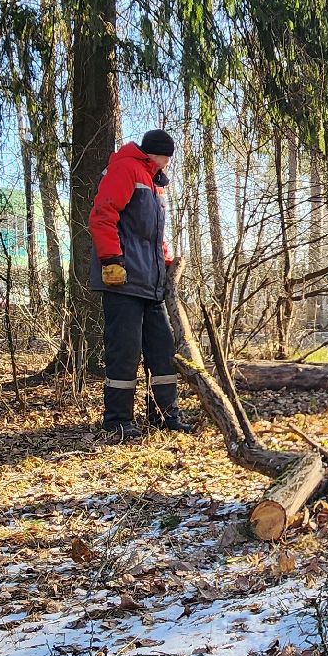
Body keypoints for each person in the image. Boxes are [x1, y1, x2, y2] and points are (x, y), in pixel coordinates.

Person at [89, 128, 194, 438]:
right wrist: (110, 260)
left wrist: (166, 262)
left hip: (152, 283)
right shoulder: (125, 169)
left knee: (162, 349)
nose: (169, 165)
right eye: (168, 159)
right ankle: (118, 421)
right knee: (125, 350)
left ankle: (164, 416)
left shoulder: (154, 182)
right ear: (158, 154)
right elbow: (102, 215)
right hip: (123, 280)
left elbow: (155, 236)